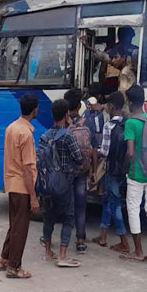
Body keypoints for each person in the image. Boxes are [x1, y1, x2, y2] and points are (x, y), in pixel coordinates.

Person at [0, 94, 40, 279]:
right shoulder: (26, 134)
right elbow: (27, 169)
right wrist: (33, 197)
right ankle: (14, 267)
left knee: (14, 225)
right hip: (22, 186)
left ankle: (5, 258)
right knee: (20, 228)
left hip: (11, 183)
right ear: (34, 110)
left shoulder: (11, 128)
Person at [41, 99, 84, 268]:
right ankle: (62, 255)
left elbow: (40, 159)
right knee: (68, 217)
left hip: (47, 183)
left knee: (48, 217)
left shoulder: (44, 136)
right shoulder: (68, 135)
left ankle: (47, 251)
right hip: (65, 183)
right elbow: (79, 158)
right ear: (67, 115)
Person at [122, 85, 147, 265]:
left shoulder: (131, 123)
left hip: (136, 174)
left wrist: (125, 168)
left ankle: (138, 251)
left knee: (133, 209)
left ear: (129, 102)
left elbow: (130, 152)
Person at [92, 91, 131, 253]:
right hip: (123, 169)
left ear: (112, 107)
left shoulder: (109, 126)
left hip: (111, 170)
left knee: (114, 205)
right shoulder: (127, 122)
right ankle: (103, 235)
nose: (105, 107)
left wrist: (95, 150)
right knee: (108, 201)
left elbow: (105, 152)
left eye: (107, 104)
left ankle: (124, 241)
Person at [64, 88, 93, 254]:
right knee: (81, 207)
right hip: (82, 171)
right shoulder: (86, 122)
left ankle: (65, 242)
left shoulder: (64, 124)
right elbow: (93, 148)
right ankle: (81, 241)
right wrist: (92, 170)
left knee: (68, 206)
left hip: (68, 172)